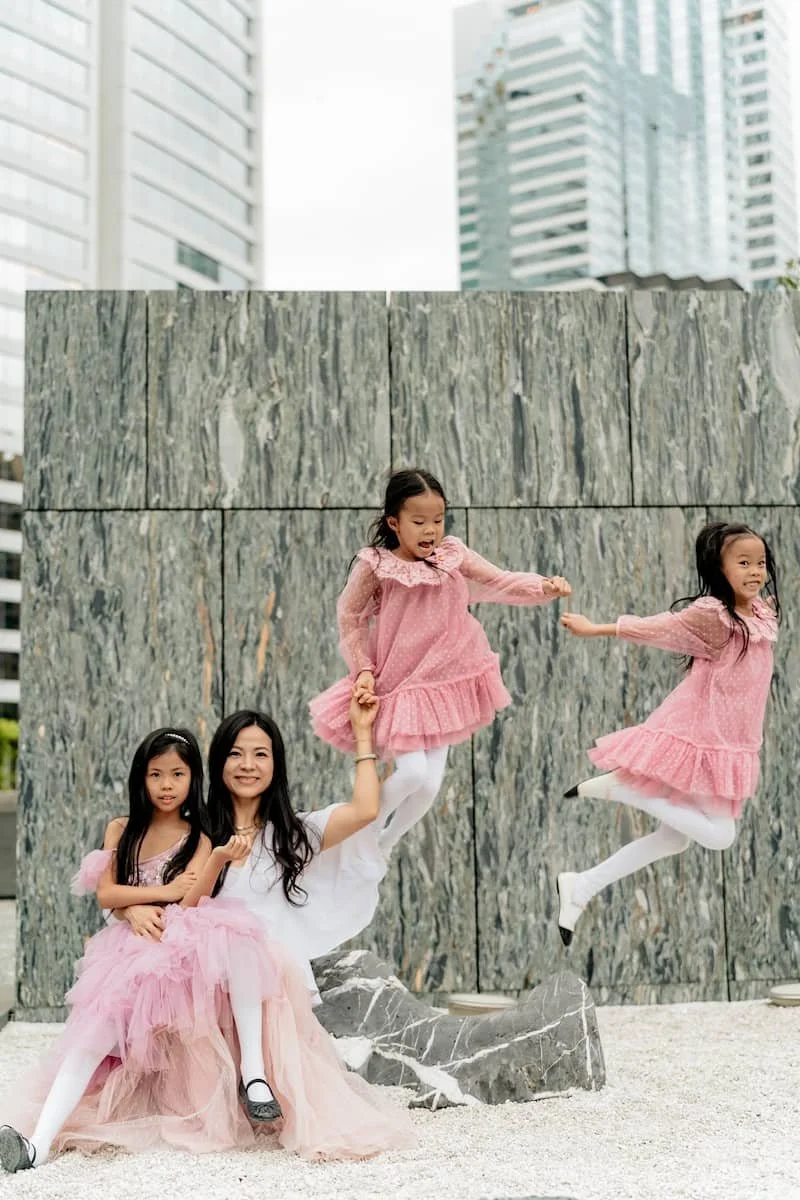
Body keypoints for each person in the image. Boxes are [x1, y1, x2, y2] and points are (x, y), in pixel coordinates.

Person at [110, 695, 415, 1162]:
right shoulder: (195, 832)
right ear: (217, 762)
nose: (247, 765)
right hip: (198, 983)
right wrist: (129, 911)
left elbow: (365, 810)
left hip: (266, 984)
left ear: (276, 765)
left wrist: (361, 733)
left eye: (260, 754)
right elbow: (139, 879)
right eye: (235, 753)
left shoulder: (294, 834)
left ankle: (255, 1079)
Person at [0, 728, 283, 1171]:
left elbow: (190, 905)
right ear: (141, 778)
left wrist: (217, 860)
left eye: (177, 774)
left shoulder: (198, 835)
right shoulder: (123, 828)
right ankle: (37, 1143)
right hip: (128, 953)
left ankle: (255, 1073)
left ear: (193, 780)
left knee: (240, 938)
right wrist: (146, 901)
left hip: (177, 945)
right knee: (90, 1039)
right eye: (156, 774)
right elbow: (106, 894)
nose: (166, 785)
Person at [310, 467, 571, 852]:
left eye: (438, 519)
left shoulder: (453, 555)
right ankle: (358, 833)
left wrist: (543, 586)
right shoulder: (377, 565)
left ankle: (384, 845)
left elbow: (499, 580)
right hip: (402, 683)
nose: (431, 530)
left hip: (447, 681)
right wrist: (363, 668)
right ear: (394, 523)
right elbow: (350, 616)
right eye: (419, 522)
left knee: (430, 785)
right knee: (413, 773)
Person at [555, 521, 780, 946]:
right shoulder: (715, 616)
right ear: (720, 569)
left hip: (734, 744)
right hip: (705, 738)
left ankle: (580, 886)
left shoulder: (762, 614)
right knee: (720, 836)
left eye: (760, 563)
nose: (754, 571)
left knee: (673, 840)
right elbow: (662, 627)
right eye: (744, 563)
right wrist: (599, 628)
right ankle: (625, 789)